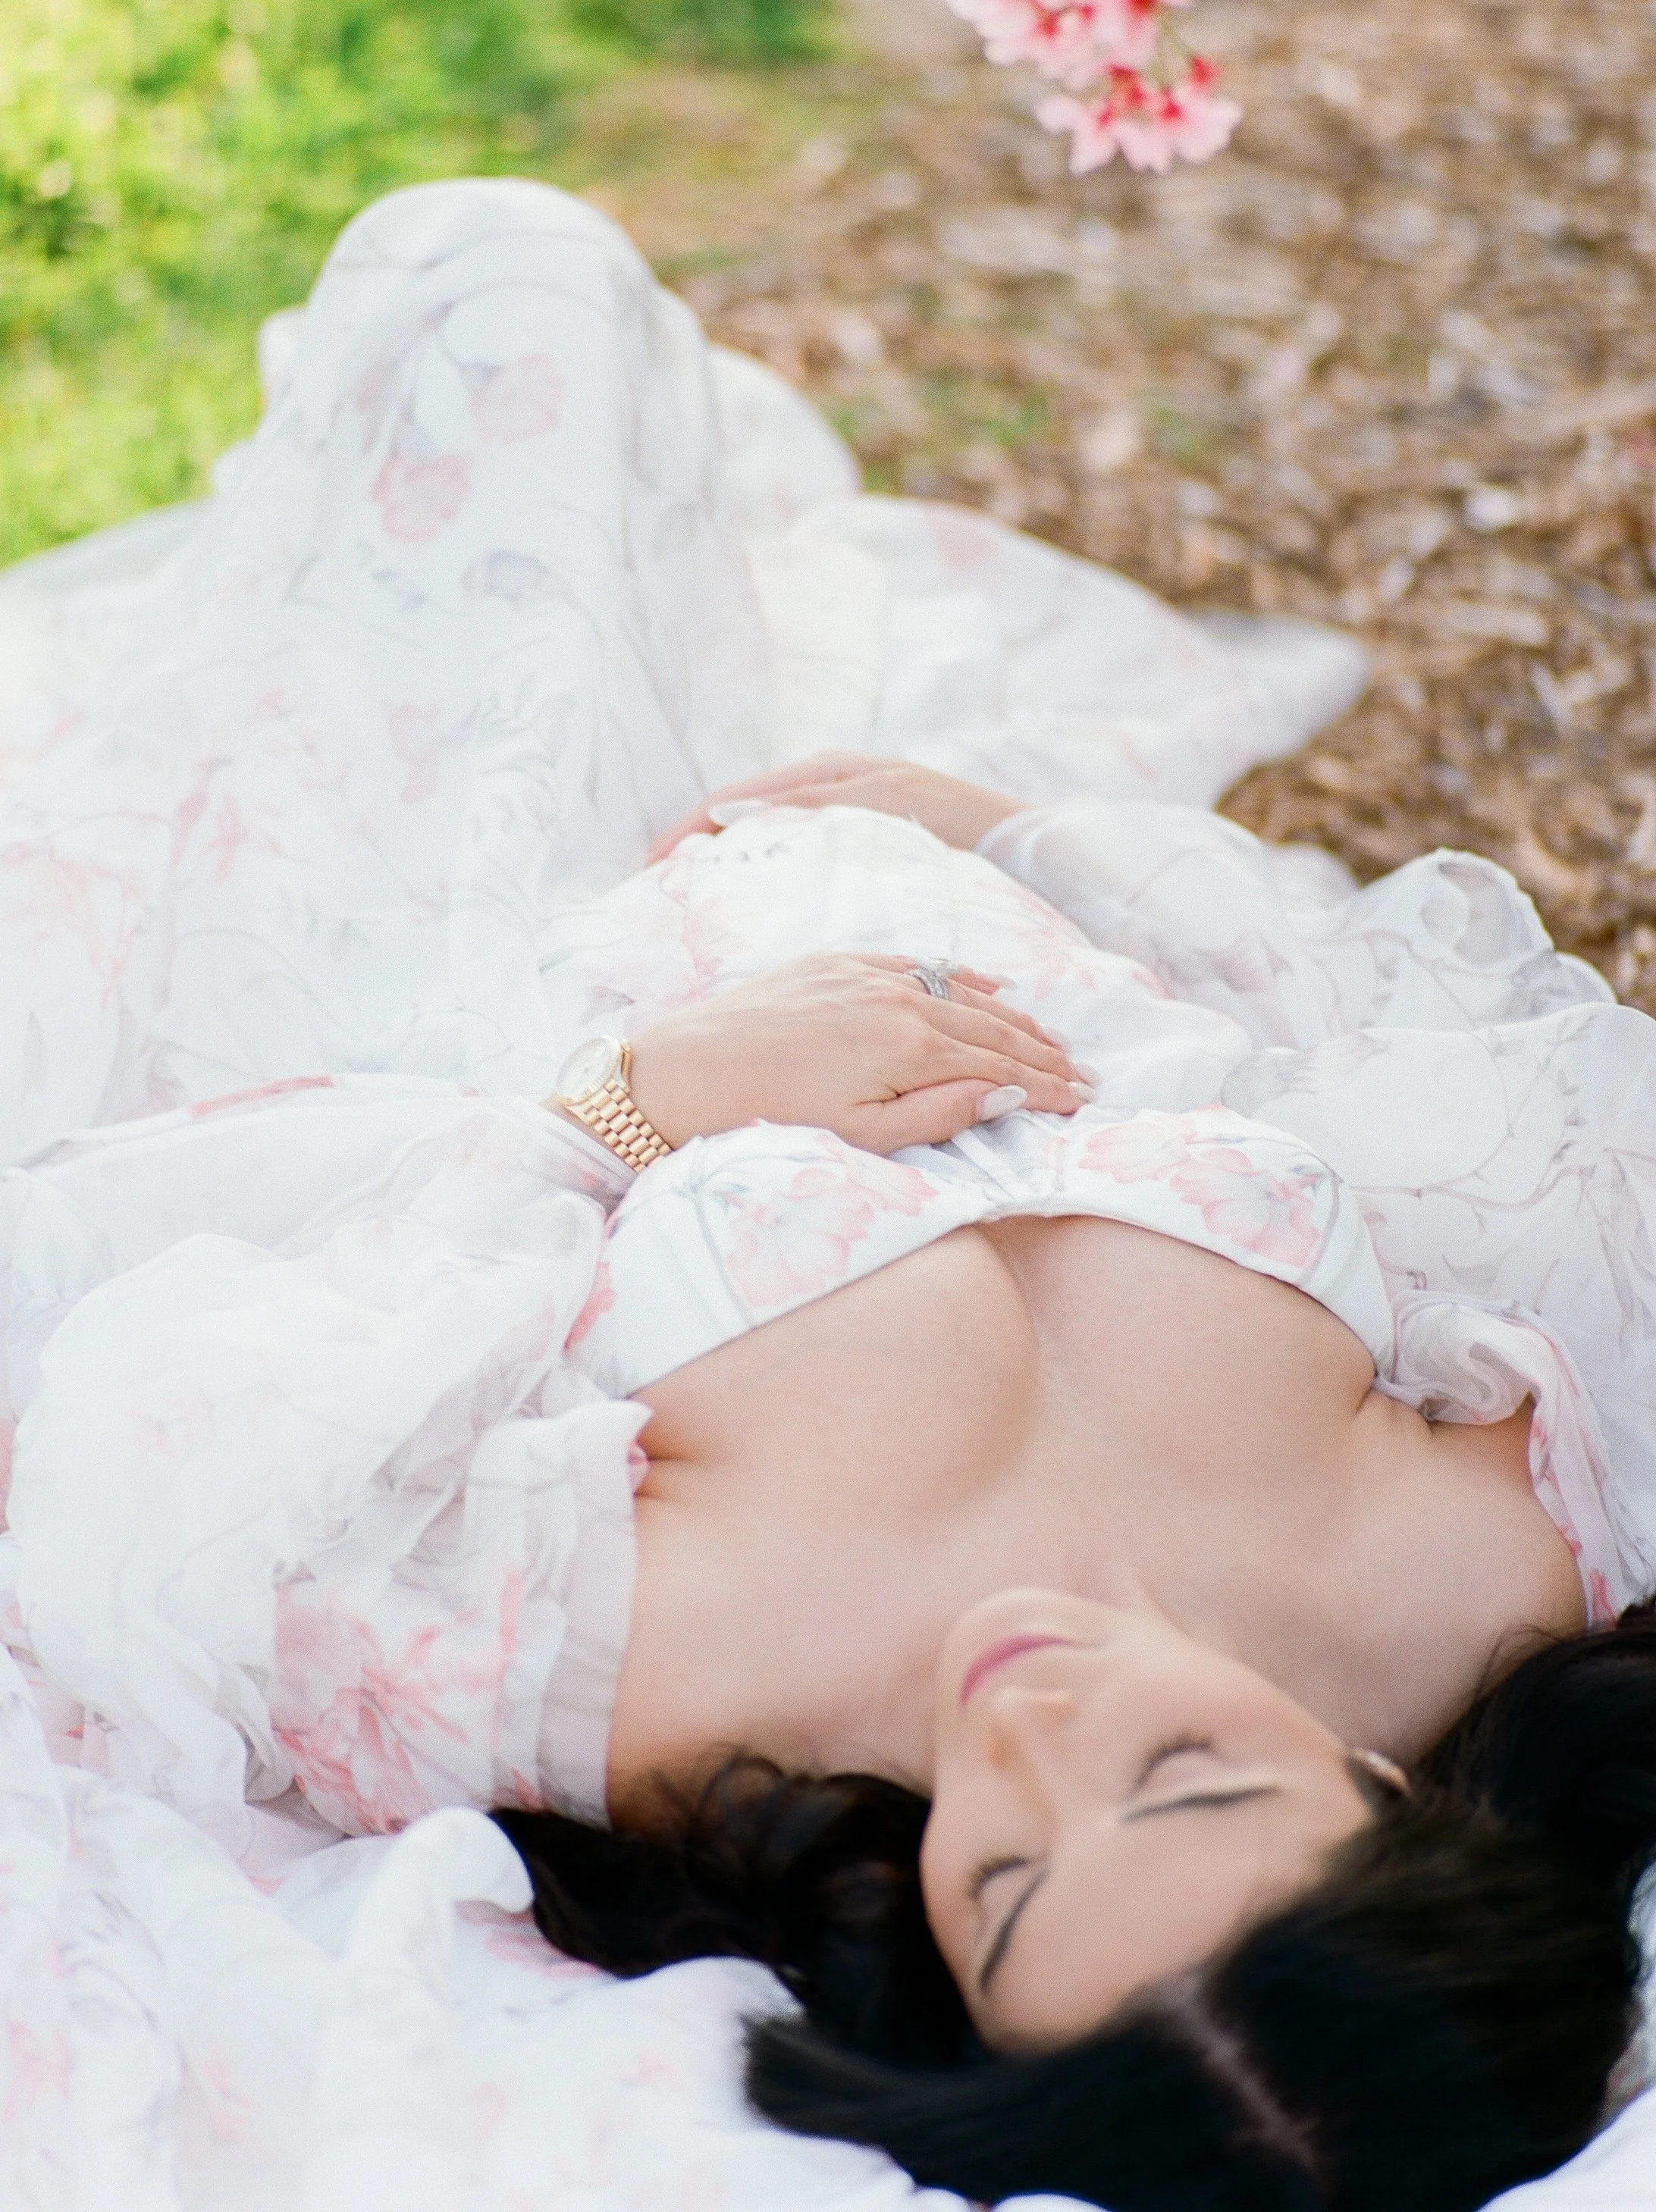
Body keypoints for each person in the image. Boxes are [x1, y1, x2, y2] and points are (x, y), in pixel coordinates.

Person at [5, 177, 1656, 2209]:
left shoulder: (660, 1690)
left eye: (1011, 1882)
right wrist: (1029, 840)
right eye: (1185, 1767)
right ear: (1387, 1787)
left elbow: (158, 1379)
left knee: (495, 284)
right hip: (886, 811)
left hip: (519, 920)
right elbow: (1387, 1045)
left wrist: (628, 1108)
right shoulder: (1498, 1555)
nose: (1034, 1732)